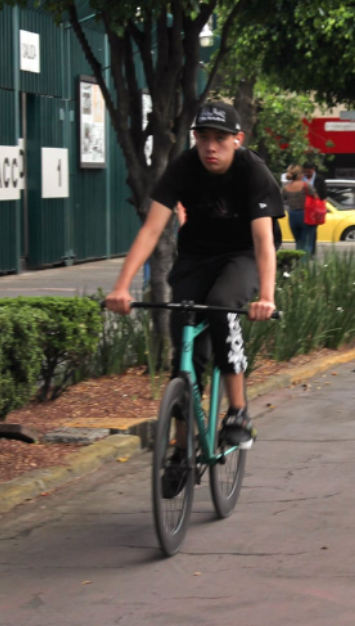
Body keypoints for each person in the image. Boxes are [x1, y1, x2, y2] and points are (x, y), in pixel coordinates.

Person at [105, 101, 283, 466]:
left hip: (242, 254)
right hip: (196, 257)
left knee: (222, 305)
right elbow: (151, 230)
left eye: (220, 139)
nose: (211, 147)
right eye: (203, 138)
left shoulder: (253, 172)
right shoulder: (183, 168)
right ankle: (181, 450)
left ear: (238, 140)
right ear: (195, 138)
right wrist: (121, 287)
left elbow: (264, 242)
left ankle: (237, 412)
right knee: (187, 355)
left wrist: (266, 297)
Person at [281, 165, 317, 254]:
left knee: (299, 242)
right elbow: (315, 197)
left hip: (292, 216)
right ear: (300, 175)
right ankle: (304, 265)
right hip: (305, 215)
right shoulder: (305, 185)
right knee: (307, 243)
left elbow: (280, 200)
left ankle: (298, 264)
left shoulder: (286, 188)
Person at [302, 162, 326, 252]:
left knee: (312, 231)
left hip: (314, 209)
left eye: (309, 172)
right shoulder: (301, 178)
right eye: (305, 172)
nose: (307, 174)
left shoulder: (319, 179)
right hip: (303, 207)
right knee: (304, 231)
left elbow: (323, 194)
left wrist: (321, 207)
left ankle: (311, 251)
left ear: (313, 169)